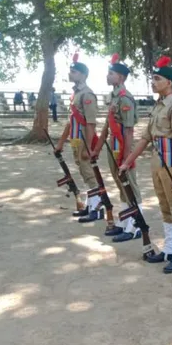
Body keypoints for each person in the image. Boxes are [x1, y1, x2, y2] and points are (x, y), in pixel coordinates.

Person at [120, 56, 172, 274]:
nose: (153, 82)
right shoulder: (158, 107)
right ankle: (170, 250)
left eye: (157, 78)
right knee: (165, 208)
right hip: (157, 162)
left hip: (170, 164)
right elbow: (145, 138)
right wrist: (127, 162)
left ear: (169, 82)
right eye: (153, 78)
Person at [92, 53, 142, 242]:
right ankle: (125, 222)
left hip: (123, 146)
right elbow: (107, 125)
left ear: (120, 77)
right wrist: (97, 148)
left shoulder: (125, 98)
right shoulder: (114, 97)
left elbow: (128, 130)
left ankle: (136, 225)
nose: (107, 76)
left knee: (130, 186)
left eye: (110, 73)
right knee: (121, 185)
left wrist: (126, 157)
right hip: (113, 145)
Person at [54, 53, 101, 221]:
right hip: (75, 139)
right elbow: (70, 121)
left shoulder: (87, 95)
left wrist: (88, 147)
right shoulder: (75, 95)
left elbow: (91, 123)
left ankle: (97, 207)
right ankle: (91, 205)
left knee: (89, 174)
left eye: (73, 72)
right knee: (83, 172)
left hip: (83, 140)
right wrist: (60, 143)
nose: (70, 74)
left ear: (82, 75)